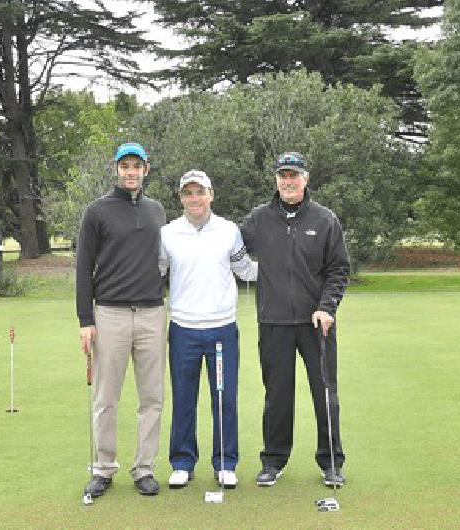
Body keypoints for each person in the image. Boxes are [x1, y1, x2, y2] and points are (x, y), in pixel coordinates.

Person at [240, 152, 350, 489]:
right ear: (276, 179)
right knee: (277, 395)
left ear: (305, 179)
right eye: (283, 175)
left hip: (316, 323)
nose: (288, 181)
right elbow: (228, 252)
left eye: (294, 175)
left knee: (324, 393)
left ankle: (331, 462)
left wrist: (327, 307)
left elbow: (338, 269)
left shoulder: (325, 219)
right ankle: (273, 460)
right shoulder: (258, 220)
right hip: (273, 322)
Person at [76, 142, 167, 497]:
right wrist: (86, 319)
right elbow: (84, 268)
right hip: (110, 313)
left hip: (152, 313)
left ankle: (144, 467)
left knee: (152, 397)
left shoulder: (157, 210)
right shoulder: (97, 212)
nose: (131, 172)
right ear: (116, 169)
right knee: (106, 397)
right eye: (125, 166)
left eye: (137, 166)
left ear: (147, 169)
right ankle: (103, 468)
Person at [159, 170, 258, 490]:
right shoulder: (168, 233)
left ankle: (226, 463)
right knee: (184, 398)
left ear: (210, 195)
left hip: (221, 329)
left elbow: (247, 270)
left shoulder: (229, 231)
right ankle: (182, 463)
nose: (194, 198)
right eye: (188, 193)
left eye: (199, 192)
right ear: (181, 198)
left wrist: (287, 266)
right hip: (183, 328)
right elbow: (154, 272)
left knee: (224, 398)